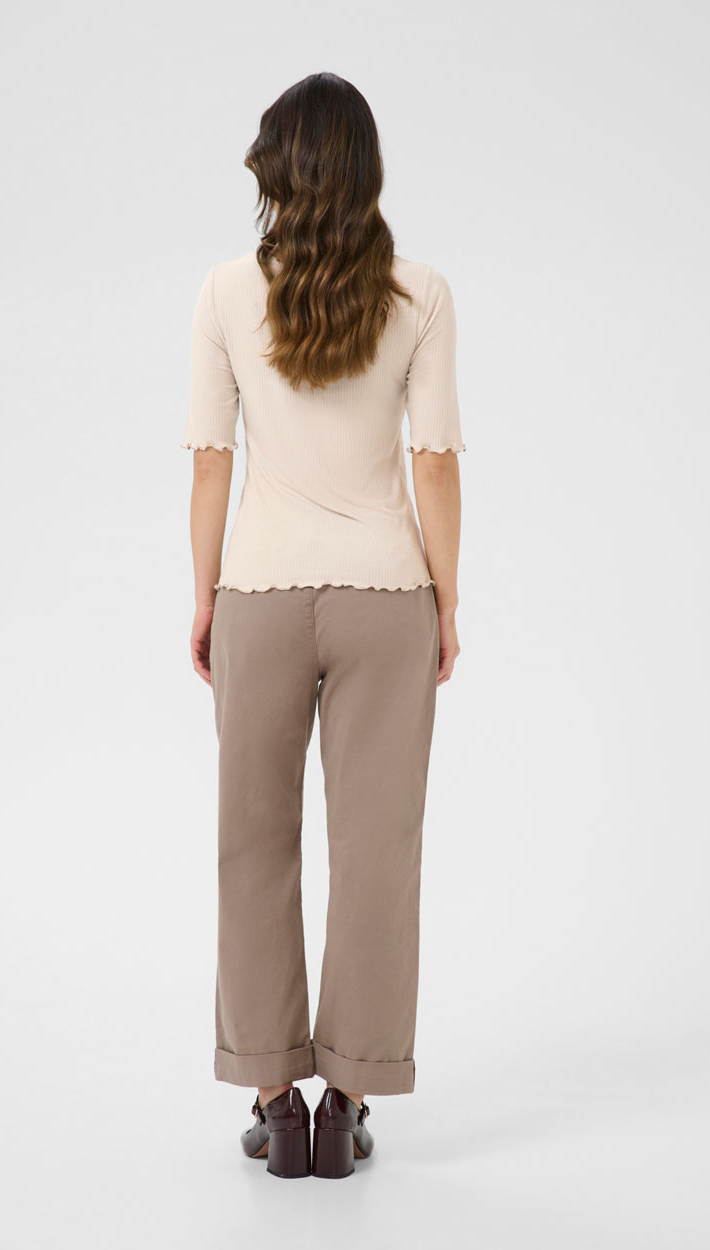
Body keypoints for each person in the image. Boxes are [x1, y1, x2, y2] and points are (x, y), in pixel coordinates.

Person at [182, 72, 465, 1180]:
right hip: (386, 597)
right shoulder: (421, 294)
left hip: (258, 594)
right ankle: (346, 1100)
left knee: (251, 842)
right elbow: (433, 464)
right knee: (376, 849)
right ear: (364, 170)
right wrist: (448, 598)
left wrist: (204, 598)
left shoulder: (222, 293)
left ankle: (274, 1100)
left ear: (276, 171)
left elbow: (212, 465)